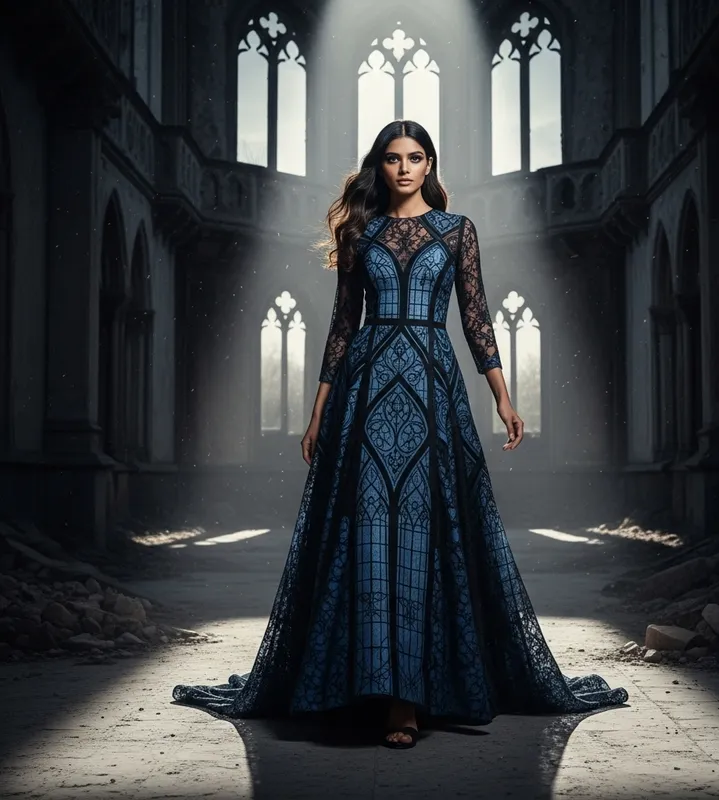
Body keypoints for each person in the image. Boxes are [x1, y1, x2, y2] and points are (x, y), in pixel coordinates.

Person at [172, 120, 628, 750]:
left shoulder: (458, 230)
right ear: (379, 166)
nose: (405, 168)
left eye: (415, 157)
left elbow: (476, 317)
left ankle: (407, 698)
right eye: (393, 158)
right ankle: (368, 685)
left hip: (434, 387)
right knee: (366, 530)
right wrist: (317, 413)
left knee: (424, 528)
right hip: (366, 386)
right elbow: (341, 326)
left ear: (430, 164)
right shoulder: (359, 233)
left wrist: (502, 396)